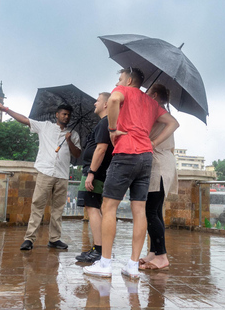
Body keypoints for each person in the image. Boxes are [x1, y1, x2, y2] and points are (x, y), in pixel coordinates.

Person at [83, 68, 179, 279]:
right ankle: (133, 265)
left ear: (128, 79)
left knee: (108, 206)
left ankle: (105, 264)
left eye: (120, 78)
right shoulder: (152, 102)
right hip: (146, 157)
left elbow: (114, 100)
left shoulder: (122, 90)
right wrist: (153, 142)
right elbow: (174, 123)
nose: (118, 82)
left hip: (125, 152)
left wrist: (112, 129)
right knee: (140, 210)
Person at [0, 99, 81, 250]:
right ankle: (29, 239)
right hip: (45, 172)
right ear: (57, 115)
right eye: (64, 114)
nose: (66, 117)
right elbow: (25, 120)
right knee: (37, 206)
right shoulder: (45, 127)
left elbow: (77, 154)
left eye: (68, 115)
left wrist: (69, 141)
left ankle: (54, 239)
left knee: (58, 209)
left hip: (62, 175)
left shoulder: (73, 134)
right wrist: (6, 109)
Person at [139, 84, 178, 271]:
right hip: (163, 163)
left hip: (160, 164)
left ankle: (162, 256)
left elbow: (175, 124)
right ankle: (154, 252)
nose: (145, 96)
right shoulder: (157, 111)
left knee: (150, 212)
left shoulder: (157, 110)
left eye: (147, 93)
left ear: (154, 95)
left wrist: (153, 142)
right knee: (156, 211)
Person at [75, 92, 114, 263]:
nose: (94, 104)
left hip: (95, 172)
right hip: (94, 171)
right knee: (92, 208)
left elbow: (101, 149)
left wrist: (91, 173)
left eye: (97, 101)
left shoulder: (106, 122)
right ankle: (96, 248)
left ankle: (99, 249)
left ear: (106, 104)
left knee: (92, 208)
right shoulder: (104, 123)